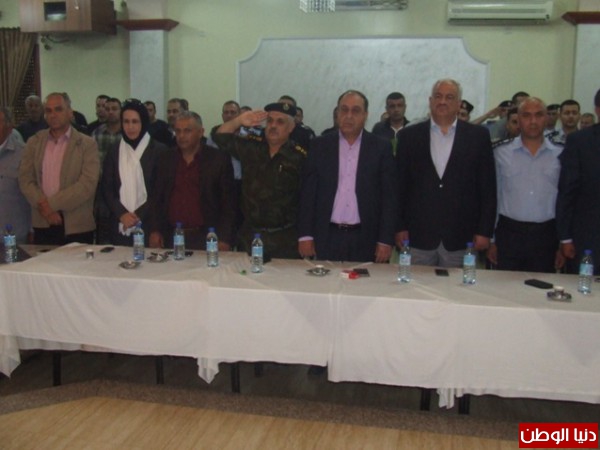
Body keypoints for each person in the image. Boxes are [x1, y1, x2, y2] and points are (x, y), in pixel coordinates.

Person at [395, 79, 496, 267]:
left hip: (461, 237)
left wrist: (484, 231)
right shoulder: (409, 136)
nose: (442, 101)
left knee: (457, 286)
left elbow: (487, 188)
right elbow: (399, 187)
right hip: (417, 236)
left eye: (449, 97)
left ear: (459, 104)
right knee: (415, 285)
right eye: (438, 96)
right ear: (430, 101)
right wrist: (399, 226)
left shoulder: (478, 137)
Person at [298, 90, 397, 263]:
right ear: (337, 113)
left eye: (355, 111)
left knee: (366, 281)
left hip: (367, 238)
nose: (349, 116)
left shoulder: (381, 148)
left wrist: (385, 239)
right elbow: (308, 194)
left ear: (365, 115)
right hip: (327, 236)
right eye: (344, 110)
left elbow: (389, 197)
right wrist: (305, 235)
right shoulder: (320, 146)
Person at [214, 102, 306, 259]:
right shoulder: (252, 148)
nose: (273, 126)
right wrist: (239, 120)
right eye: (269, 121)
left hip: (285, 239)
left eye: (280, 122)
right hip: (250, 236)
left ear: (291, 127)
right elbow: (220, 137)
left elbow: (307, 199)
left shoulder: (299, 157)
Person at [486, 97, 563, 273]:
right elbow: (493, 197)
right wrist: (491, 239)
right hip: (509, 233)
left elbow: (565, 200)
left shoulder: (561, 153)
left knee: (543, 287)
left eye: (539, 115)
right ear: (518, 119)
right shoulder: (500, 152)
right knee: (505, 287)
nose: (533, 121)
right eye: (527, 115)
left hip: (546, 234)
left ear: (547, 118)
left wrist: (562, 242)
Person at [18, 92, 100, 245]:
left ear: (70, 112)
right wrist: (45, 208)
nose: (53, 115)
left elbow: (87, 185)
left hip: (77, 225)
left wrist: (51, 205)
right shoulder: (34, 142)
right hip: (43, 221)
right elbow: (25, 179)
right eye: (48, 111)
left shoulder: (87, 144)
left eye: (58, 109)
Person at [150, 111, 236, 250]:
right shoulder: (165, 159)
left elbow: (229, 204)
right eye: (178, 131)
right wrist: (155, 230)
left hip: (207, 237)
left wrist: (225, 238)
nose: (181, 136)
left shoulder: (218, 160)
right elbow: (156, 199)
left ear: (201, 132)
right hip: (171, 236)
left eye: (187, 131)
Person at [101, 99, 168, 246]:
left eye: (135, 122)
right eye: (126, 122)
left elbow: (160, 192)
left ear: (143, 122)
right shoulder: (114, 151)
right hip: (120, 224)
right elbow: (107, 188)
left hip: (150, 225)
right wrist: (122, 214)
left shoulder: (159, 151)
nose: (130, 127)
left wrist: (136, 216)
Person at [556, 88, 600, 274]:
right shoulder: (580, 141)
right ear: (598, 109)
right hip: (588, 238)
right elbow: (567, 191)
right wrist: (565, 238)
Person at [0, 107, 31, 243]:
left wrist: (32, 229)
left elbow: (32, 194)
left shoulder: (24, 153)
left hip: (13, 234)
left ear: (9, 127)